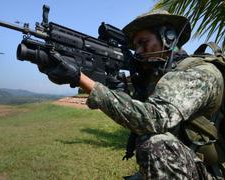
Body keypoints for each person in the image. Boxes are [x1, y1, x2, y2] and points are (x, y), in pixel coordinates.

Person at [38, 10, 225, 179]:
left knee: (155, 145)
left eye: (144, 43)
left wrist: (83, 80)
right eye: (135, 46)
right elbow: (134, 113)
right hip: (184, 164)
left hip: (208, 171)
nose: (138, 52)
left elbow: (154, 118)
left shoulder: (198, 73)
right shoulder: (157, 78)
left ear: (168, 37)